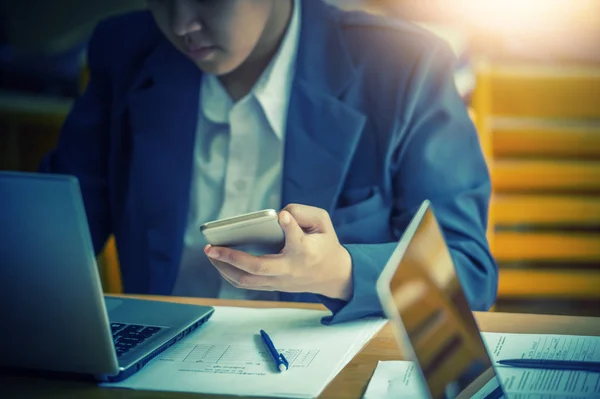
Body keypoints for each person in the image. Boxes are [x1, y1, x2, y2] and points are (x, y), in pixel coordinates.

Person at [39, 0, 498, 324]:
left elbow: (468, 272)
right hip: (157, 365)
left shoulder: (403, 65)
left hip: (328, 367)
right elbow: (53, 227)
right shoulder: (124, 51)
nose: (180, 23)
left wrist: (341, 272)